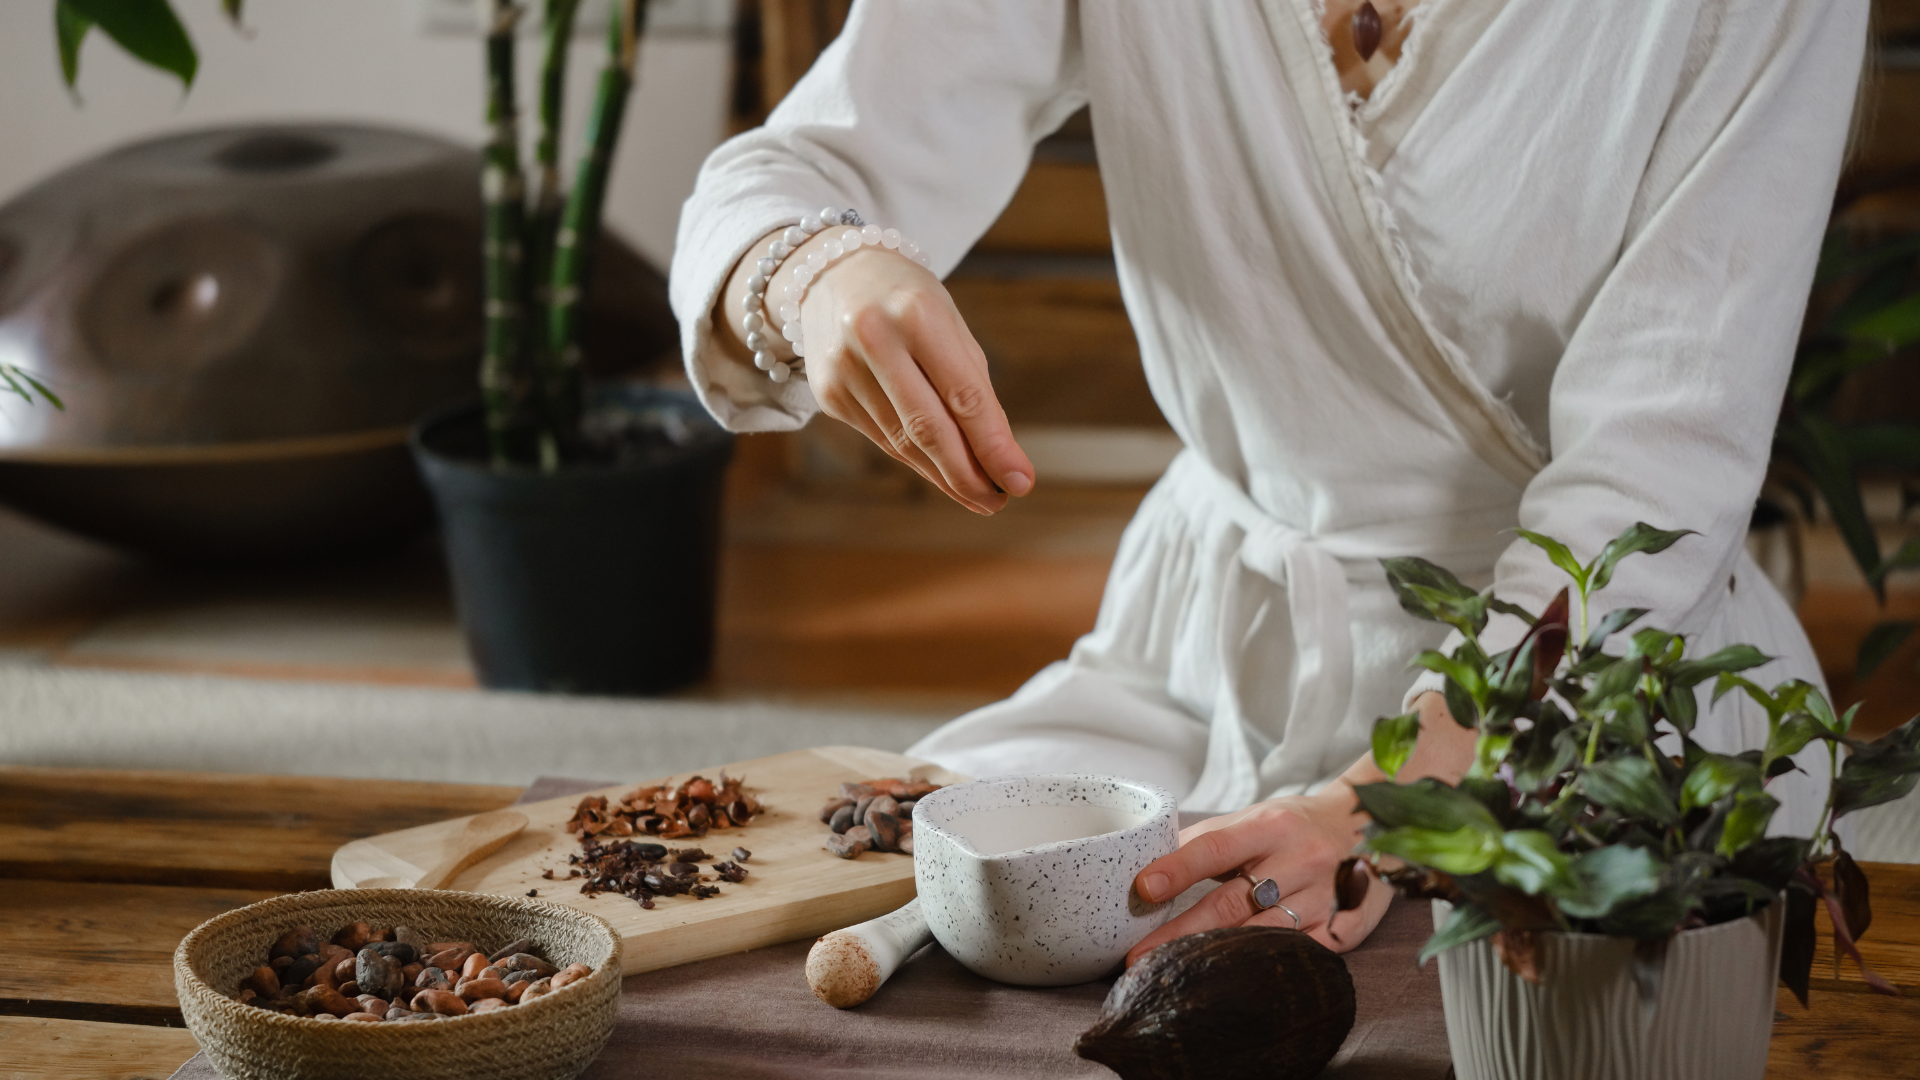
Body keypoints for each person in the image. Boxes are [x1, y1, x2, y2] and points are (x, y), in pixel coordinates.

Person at [669, 0, 1870, 957]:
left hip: (1577, 709)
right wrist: (814, 273)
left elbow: (1658, 473)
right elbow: (799, 170)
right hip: (1207, 661)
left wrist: (1401, 804)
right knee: (901, 914)